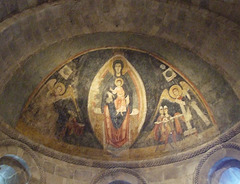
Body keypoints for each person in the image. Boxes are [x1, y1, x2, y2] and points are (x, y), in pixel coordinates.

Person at [101, 60, 133, 148]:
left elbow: (129, 92)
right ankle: (110, 140)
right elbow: (105, 91)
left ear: (122, 68)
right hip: (112, 104)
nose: (118, 68)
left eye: (119, 66)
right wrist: (109, 94)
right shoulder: (110, 79)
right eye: (116, 66)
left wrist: (127, 98)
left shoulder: (125, 80)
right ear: (114, 68)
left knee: (123, 113)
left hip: (122, 103)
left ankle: (123, 139)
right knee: (110, 114)